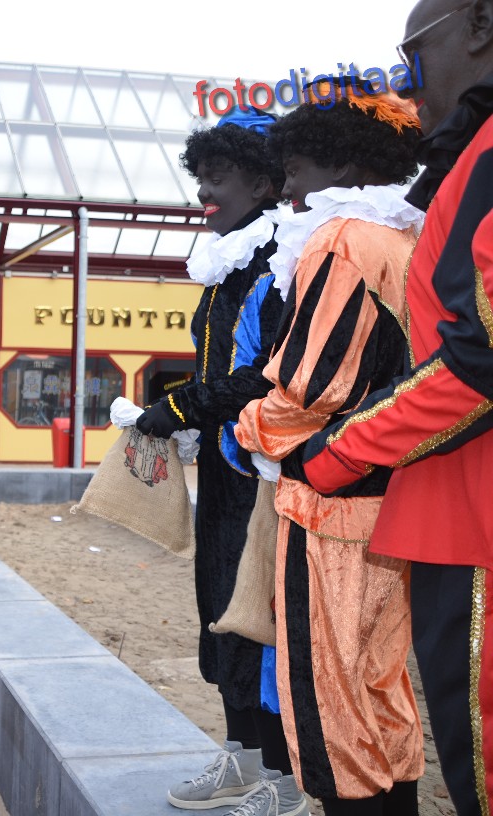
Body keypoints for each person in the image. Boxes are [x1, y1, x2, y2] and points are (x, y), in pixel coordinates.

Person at [281, 2, 493, 812]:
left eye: (413, 57)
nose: (406, 86)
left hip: (463, 512)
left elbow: (476, 359)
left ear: (479, 26)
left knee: (364, 708)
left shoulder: (351, 236)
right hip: (432, 492)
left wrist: (328, 451)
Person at [236, 88, 426, 816]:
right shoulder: (405, 239)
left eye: (295, 167)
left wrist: (249, 429)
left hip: (330, 505)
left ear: (342, 165)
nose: (286, 186)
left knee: (329, 696)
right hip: (396, 497)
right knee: (382, 684)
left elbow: (311, 387)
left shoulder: (342, 238)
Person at [134, 110, 298, 814]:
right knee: (221, 611)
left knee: (259, 618)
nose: (204, 191)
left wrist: (179, 407)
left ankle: (283, 784)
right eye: (199, 176)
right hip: (229, 472)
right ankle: (241, 757)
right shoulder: (229, 262)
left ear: (263, 182)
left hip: (270, 476)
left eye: (218, 176)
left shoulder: (282, 261)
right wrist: (189, 414)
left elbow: (269, 376)